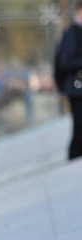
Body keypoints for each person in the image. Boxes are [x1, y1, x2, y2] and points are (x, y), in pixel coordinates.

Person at [56, 1, 82, 160]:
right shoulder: (71, 33)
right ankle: (74, 158)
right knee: (79, 130)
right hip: (77, 90)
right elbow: (65, 61)